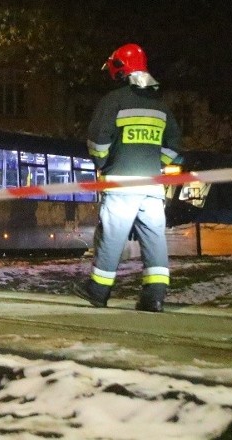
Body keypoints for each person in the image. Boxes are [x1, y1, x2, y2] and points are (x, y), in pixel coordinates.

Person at [74, 43, 182, 312]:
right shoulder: (161, 107)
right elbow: (175, 147)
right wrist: (157, 163)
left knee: (111, 236)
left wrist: (103, 164)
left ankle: (98, 290)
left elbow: (98, 141)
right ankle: (154, 297)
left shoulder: (113, 101)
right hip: (153, 186)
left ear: (120, 68)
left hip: (121, 183)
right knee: (154, 239)